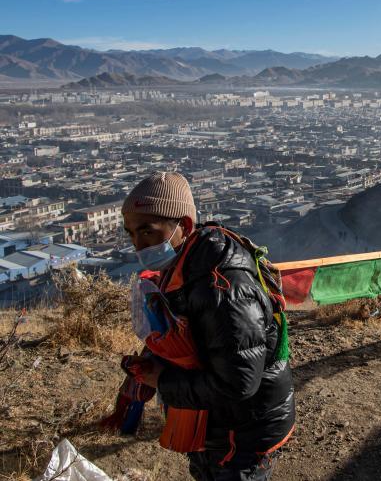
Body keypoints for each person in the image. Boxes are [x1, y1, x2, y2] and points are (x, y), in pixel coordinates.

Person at [118, 172, 295, 481]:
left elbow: (238, 382)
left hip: (243, 431)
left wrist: (163, 381)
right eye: (131, 233)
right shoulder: (187, 263)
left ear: (183, 226)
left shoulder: (223, 288)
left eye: (147, 231)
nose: (138, 245)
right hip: (218, 424)